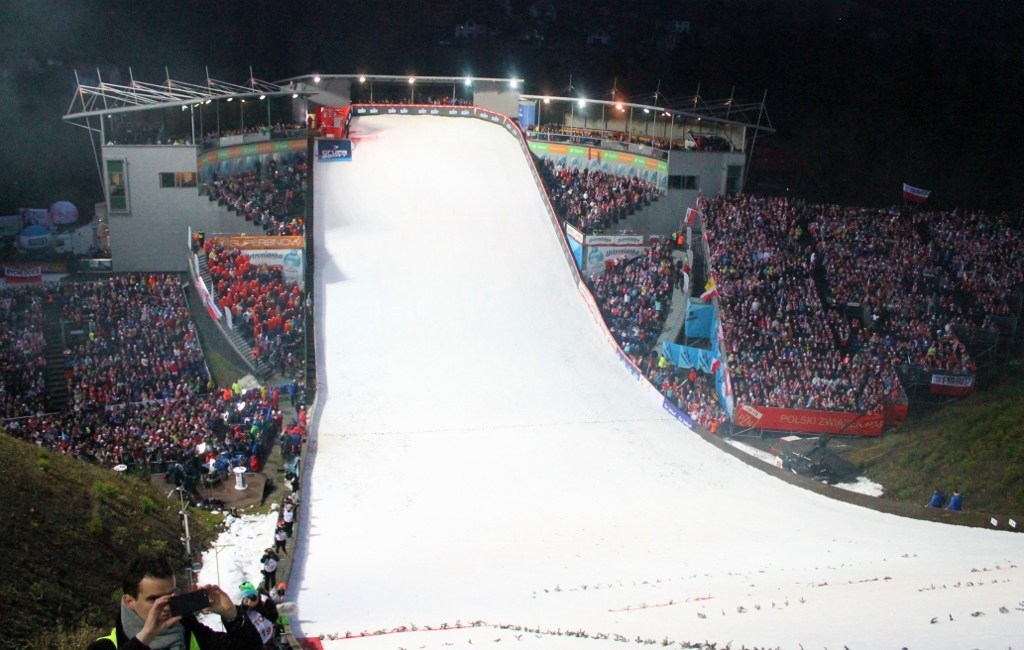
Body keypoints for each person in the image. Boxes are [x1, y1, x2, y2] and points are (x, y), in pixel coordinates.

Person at [88, 554, 262, 650]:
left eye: (170, 596)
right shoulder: (107, 646)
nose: (164, 607)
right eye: (154, 599)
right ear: (129, 601)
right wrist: (144, 639)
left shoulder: (190, 631)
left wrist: (232, 616)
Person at [239, 582, 278, 648]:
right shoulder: (243, 609)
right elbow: (238, 623)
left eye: (252, 596)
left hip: (268, 640)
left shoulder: (266, 602)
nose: (250, 600)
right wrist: (244, 607)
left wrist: (258, 606)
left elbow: (274, 617)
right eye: (247, 597)